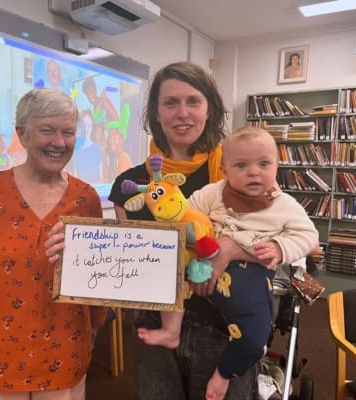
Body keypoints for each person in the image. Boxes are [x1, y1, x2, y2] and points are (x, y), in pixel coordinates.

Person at [108, 61, 261, 400]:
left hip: (224, 326)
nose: (182, 113)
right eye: (171, 103)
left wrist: (231, 250)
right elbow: (125, 259)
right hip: (155, 326)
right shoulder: (129, 185)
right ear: (156, 113)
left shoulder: (238, 172)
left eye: (193, 101)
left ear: (210, 110)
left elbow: (276, 241)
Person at [0, 88, 107, 400]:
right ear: (22, 134)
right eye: (47, 130)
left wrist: (97, 322)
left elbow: (97, 273)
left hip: (63, 338)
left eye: (68, 132)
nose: (58, 142)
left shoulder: (85, 197)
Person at [137, 126, 319, 399]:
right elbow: (187, 213)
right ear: (224, 170)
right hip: (200, 273)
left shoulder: (284, 205)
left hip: (249, 280)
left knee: (255, 340)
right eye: (241, 165)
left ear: (277, 166)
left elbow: (308, 237)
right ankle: (170, 331)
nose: (254, 172)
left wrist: (280, 248)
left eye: (263, 164)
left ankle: (224, 373)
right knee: (169, 275)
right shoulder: (213, 193)